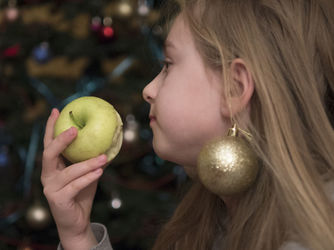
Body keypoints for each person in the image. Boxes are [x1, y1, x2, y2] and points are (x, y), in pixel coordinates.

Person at [41, 0, 334, 249]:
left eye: (168, 65)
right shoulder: (208, 216)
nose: (148, 89)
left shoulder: (309, 238)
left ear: (235, 87)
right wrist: (78, 238)